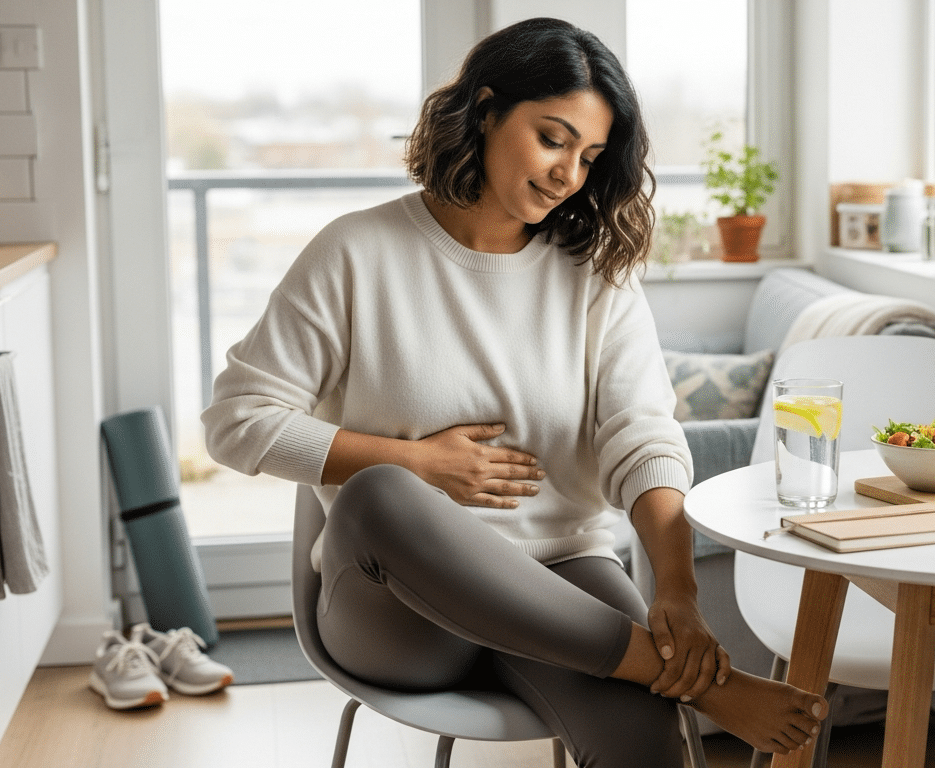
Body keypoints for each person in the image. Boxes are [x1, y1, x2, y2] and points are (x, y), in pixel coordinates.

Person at [201, 17, 826, 767]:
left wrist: (678, 592)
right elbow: (236, 421)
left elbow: (643, 437)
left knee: (643, 743)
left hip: (560, 576)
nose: (569, 175)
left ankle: (654, 670)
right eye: (553, 139)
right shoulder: (356, 251)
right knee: (382, 494)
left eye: (590, 157)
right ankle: (683, 679)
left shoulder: (595, 272)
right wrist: (419, 462)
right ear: (486, 109)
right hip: (397, 617)